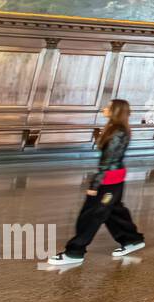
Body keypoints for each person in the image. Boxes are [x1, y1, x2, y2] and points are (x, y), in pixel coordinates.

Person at [47, 99, 146, 265]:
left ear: (115, 111)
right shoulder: (116, 129)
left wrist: (95, 185)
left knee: (92, 214)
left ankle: (75, 252)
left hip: (108, 182)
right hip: (114, 179)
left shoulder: (117, 132)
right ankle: (131, 239)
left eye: (108, 107)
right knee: (113, 211)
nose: (104, 109)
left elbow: (108, 161)